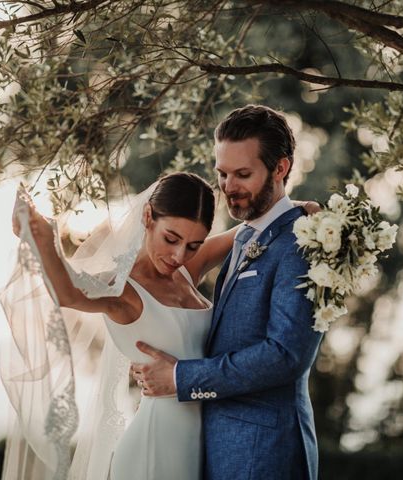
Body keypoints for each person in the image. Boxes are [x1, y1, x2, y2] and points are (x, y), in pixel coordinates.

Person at [131, 105, 324, 480]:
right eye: (222, 174)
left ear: (280, 168)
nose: (228, 187)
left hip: (264, 455)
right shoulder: (246, 236)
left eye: (243, 174)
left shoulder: (302, 241)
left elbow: (286, 354)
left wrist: (180, 378)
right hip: (217, 450)